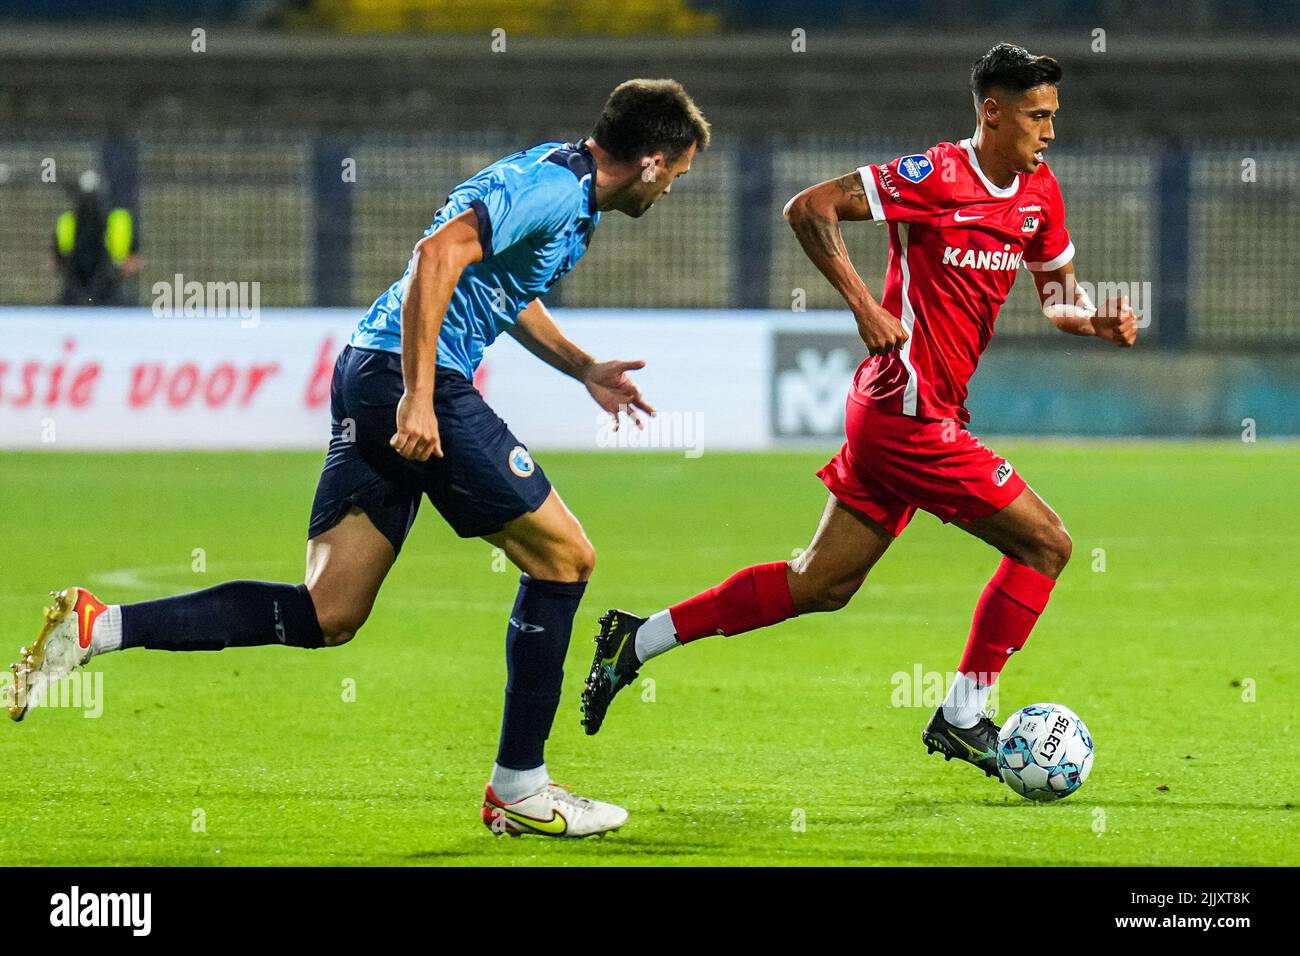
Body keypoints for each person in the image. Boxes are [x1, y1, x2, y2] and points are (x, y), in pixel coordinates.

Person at [9, 79, 710, 838]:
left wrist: (582, 368)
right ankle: (519, 788)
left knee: (328, 611)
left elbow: (499, 284)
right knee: (566, 559)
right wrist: (417, 396)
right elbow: (436, 255)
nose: (676, 185)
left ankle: (96, 626)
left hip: (369, 368)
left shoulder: (555, 179)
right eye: (679, 170)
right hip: (410, 380)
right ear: (649, 160)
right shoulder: (555, 189)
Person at [581, 44, 1138, 782]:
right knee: (1047, 545)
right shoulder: (934, 176)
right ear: (992, 113)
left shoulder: (1041, 194)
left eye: (1054, 117)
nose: (1049, 132)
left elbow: (1057, 297)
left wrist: (1091, 317)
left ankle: (636, 639)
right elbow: (807, 208)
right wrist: (864, 305)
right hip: (907, 415)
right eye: (1037, 117)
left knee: (820, 584)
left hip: (917, 413)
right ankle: (964, 716)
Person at [52, 170, 139, 306]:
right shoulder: (118, 219)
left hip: (89, 286)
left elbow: (56, 260)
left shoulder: (67, 221)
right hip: (100, 288)